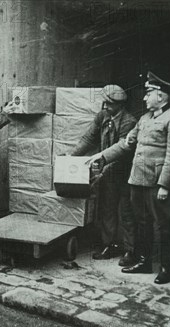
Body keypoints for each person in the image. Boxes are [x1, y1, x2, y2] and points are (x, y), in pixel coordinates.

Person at [89, 72, 170, 284]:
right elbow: (127, 143)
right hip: (138, 181)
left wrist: (165, 184)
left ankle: (165, 268)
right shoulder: (144, 119)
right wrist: (102, 155)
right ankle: (144, 263)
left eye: (149, 93)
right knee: (143, 223)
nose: (144, 98)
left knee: (164, 225)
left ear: (161, 96)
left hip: (157, 183)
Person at [69, 85, 137, 266]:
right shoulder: (102, 116)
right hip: (108, 173)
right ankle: (109, 245)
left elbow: (122, 150)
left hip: (125, 172)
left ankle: (130, 250)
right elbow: (88, 138)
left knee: (126, 212)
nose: (105, 106)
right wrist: (70, 157)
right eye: (105, 102)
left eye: (110, 103)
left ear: (120, 105)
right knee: (107, 209)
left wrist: (101, 171)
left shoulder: (129, 122)